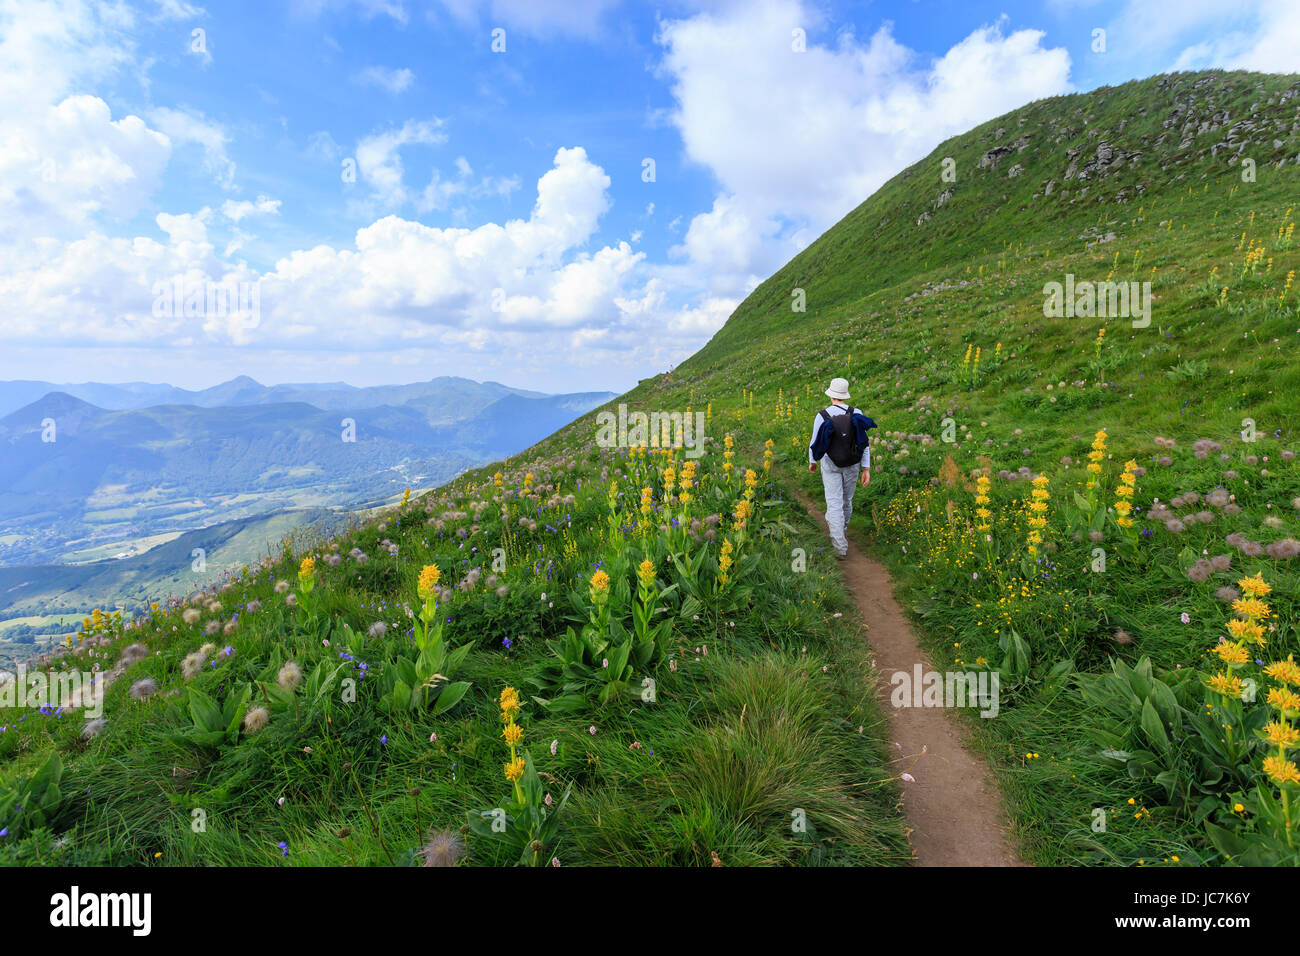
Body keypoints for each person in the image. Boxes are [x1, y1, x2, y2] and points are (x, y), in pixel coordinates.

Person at [807, 377, 876, 559]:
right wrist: (866, 468)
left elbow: (814, 443)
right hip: (853, 464)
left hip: (830, 464)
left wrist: (813, 462)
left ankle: (839, 547)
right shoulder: (856, 413)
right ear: (845, 395)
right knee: (847, 500)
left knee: (834, 502)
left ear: (831, 395)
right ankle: (841, 530)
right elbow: (864, 443)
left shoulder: (822, 416)